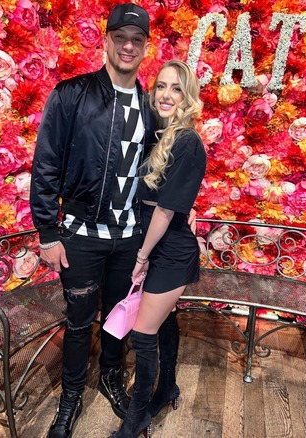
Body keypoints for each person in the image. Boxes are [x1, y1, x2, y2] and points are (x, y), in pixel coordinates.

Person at [30, 4, 157, 438]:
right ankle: (70, 398)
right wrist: (48, 232)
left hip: (129, 239)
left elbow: (158, 169)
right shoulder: (71, 94)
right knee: (79, 321)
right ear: (105, 40)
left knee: (119, 316)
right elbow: (46, 164)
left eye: (136, 40)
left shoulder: (149, 105)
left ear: (145, 47)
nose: (127, 46)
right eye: (120, 37)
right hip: (81, 236)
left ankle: (110, 378)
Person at [111, 59, 206, 438]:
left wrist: (141, 256)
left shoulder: (187, 140)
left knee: (144, 332)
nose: (166, 95)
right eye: (161, 86)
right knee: (162, 320)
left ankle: (135, 420)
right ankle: (167, 387)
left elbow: (166, 209)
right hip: (150, 237)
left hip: (169, 248)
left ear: (188, 96)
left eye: (176, 88)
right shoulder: (159, 134)